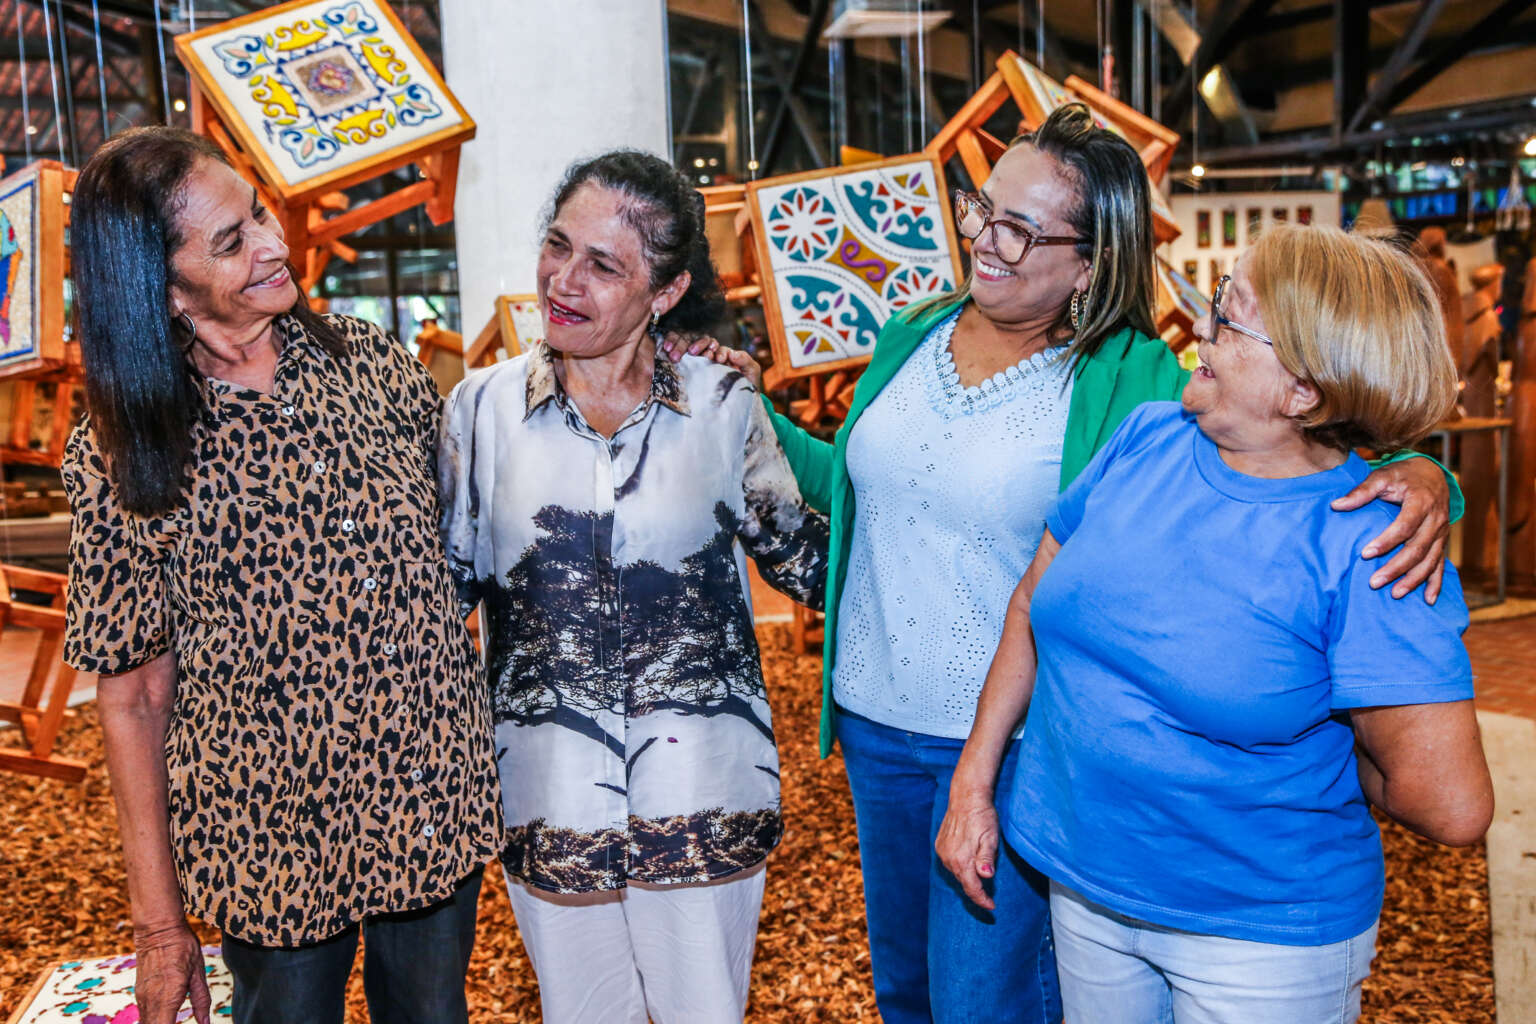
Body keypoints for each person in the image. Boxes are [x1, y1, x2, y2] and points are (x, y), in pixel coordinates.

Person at [671, 103, 1459, 1024]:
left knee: (986, 1002)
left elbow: (1300, 442)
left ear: (1090, 261)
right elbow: (852, 483)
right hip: (876, 716)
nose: (984, 240)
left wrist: (1424, 472)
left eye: (1020, 227)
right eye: (982, 210)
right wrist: (750, 409)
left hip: (1013, 737)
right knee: (907, 993)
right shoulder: (913, 331)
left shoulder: (1137, 380)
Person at [937, 224, 1493, 1023]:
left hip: (1259, 940)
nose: (1200, 326)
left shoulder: (1369, 538)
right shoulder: (1144, 440)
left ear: (1303, 389)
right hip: (1090, 893)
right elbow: (1032, 601)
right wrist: (974, 781)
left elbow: (1450, 803)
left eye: (1229, 317)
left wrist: (1339, 753)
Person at [63, 127, 502, 1024]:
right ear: (164, 287)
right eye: (230, 241)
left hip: (428, 801)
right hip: (270, 841)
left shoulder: (372, 364)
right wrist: (160, 928)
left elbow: (484, 519)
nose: (273, 243)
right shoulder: (122, 451)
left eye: (259, 211)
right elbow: (134, 694)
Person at [437, 150, 828, 1024]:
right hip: (549, 798)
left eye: (603, 265)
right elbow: (435, 601)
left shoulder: (724, 405)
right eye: (556, 245)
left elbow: (808, 562)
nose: (562, 280)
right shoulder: (480, 412)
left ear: (665, 291)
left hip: (701, 800)